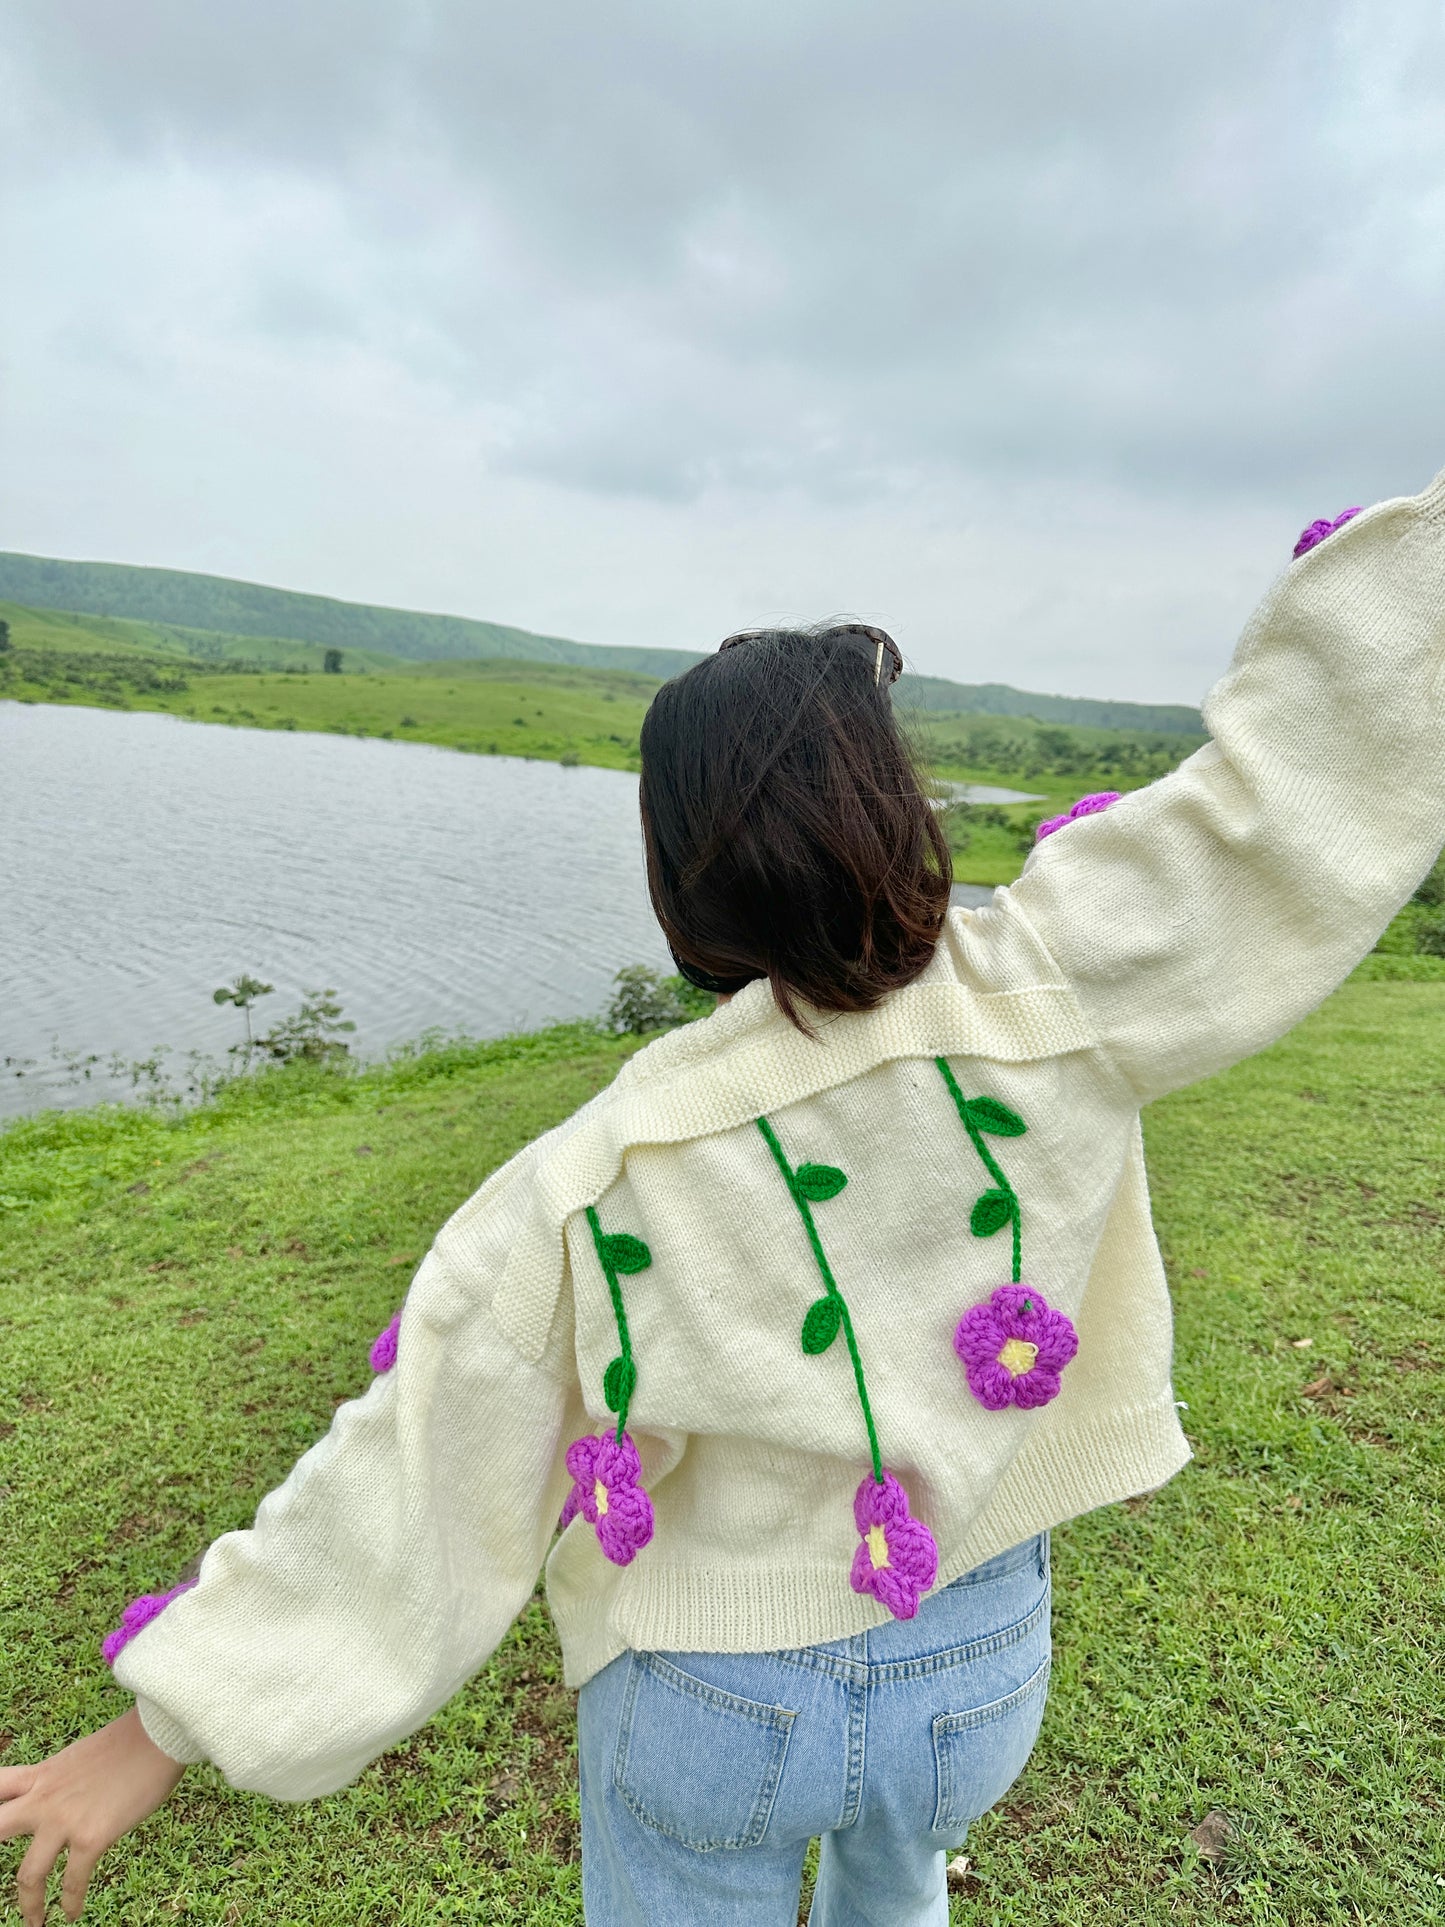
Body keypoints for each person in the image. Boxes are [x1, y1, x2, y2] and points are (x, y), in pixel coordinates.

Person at [4, 467, 1444, 1927]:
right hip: (976, 1663)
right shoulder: (1057, 980)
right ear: (894, 809)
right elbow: (1286, 799)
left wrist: (156, 1732)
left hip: (715, 1698)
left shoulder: (597, 1173)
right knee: (897, 1903)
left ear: (677, 862)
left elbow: (417, 1464)